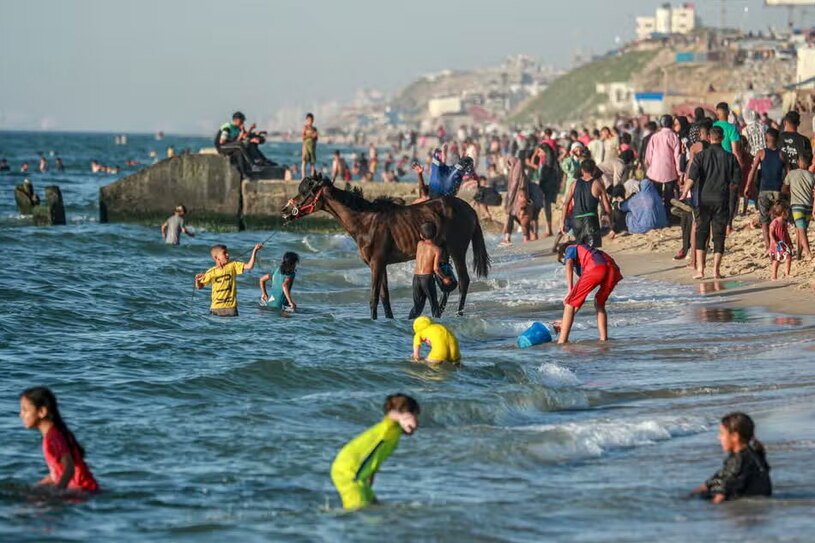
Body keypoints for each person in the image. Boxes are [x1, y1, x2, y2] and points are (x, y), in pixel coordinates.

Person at [330, 394, 420, 510]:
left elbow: (375, 457)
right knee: (357, 511)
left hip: (360, 475)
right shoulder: (389, 427)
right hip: (350, 473)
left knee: (375, 506)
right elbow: (391, 415)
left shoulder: (396, 434)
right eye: (413, 416)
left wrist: (370, 477)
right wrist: (404, 417)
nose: (416, 422)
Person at [683, 126, 741, 280]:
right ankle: (716, 270)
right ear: (722, 138)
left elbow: (691, 177)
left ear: (709, 138)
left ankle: (700, 270)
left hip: (703, 200)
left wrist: (684, 192)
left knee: (701, 233)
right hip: (721, 200)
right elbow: (736, 182)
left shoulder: (701, 156)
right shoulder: (730, 158)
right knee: (719, 235)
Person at [19, 386, 99, 492]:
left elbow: (69, 468)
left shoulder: (53, 438)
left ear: (42, 411)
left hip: (83, 492)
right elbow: (57, 472)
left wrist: (58, 491)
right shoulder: (55, 433)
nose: (21, 415)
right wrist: (38, 486)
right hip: (85, 491)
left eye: (25, 410)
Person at [690, 412, 771, 503]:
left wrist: (712, 505)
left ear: (734, 436)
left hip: (743, 504)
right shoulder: (752, 454)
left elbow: (725, 489)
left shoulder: (739, 460)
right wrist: (698, 490)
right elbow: (720, 477)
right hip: (757, 498)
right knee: (701, 493)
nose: (719, 438)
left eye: (722, 434)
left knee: (702, 497)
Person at [556, 242, 622, 344]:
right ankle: (603, 340)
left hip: (596, 268)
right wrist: (564, 321)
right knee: (599, 303)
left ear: (564, 254)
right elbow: (579, 300)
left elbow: (568, 263)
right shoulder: (591, 253)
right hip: (613, 270)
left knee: (569, 302)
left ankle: (562, 342)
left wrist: (570, 290)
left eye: (563, 260)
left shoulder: (570, 247)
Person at [194, 243, 263, 317]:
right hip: (215, 308)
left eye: (227, 252)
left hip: (231, 308)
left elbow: (249, 266)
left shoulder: (233, 265)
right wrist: (197, 280)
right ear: (216, 257)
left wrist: (255, 251)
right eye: (224, 253)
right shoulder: (211, 272)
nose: (227, 255)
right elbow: (199, 287)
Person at [745, 128, 785, 250]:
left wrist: (748, 186)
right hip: (777, 190)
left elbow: (753, 171)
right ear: (777, 139)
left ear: (766, 139)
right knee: (777, 219)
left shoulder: (761, 153)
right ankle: (778, 244)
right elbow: (788, 173)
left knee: (764, 220)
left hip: (764, 190)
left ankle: (769, 246)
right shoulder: (782, 154)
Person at [560, 159, 612, 248]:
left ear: (582, 170)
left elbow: (565, 204)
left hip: (576, 221)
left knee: (580, 249)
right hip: (591, 221)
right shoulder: (598, 184)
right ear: (594, 170)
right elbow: (607, 207)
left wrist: (562, 222)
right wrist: (610, 223)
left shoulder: (573, 184)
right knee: (592, 250)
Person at [713, 102, 746, 230]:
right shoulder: (732, 128)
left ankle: (718, 221)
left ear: (717, 113)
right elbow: (735, 151)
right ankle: (728, 224)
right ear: (727, 113)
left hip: (715, 163)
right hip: (729, 163)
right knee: (731, 195)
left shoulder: (713, 126)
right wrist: (740, 164)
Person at [409, 223, 452, 319]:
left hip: (416, 278)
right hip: (427, 279)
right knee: (434, 305)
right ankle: (437, 323)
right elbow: (436, 268)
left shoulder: (419, 244)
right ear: (436, 234)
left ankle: (408, 324)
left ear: (421, 235)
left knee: (417, 306)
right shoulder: (437, 250)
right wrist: (444, 278)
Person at [645, 115, 682, 215]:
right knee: (669, 196)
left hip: (655, 171)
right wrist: (679, 172)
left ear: (661, 124)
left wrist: (650, 168)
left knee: (656, 195)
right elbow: (677, 157)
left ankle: (657, 215)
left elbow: (648, 156)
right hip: (670, 171)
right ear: (671, 124)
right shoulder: (674, 137)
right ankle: (668, 216)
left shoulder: (654, 137)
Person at [784, 155, 815, 261]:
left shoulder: (792, 173)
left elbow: (784, 188)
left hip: (797, 205)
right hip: (808, 206)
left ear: (798, 162)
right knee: (801, 230)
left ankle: (808, 253)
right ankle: (798, 255)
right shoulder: (812, 175)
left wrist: (790, 193)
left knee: (801, 230)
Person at [768, 202, 793, 280]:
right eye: (787, 212)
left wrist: (790, 242)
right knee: (777, 260)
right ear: (783, 213)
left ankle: (787, 273)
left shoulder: (784, 223)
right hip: (776, 245)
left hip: (784, 244)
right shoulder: (775, 222)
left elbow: (786, 233)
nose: (788, 213)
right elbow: (770, 233)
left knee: (789, 257)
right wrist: (774, 241)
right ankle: (774, 275)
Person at [301, 113, 318, 177]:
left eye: (311, 120)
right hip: (306, 147)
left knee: (312, 163)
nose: (310, 122)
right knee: (304, 161)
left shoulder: (314, 129)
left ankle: (312, 176)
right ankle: (303, 176)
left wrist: (314, 136)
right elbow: (303, 137)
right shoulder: (305, 128)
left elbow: (316, 138)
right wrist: (310, 135)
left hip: (312, 147)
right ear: (307, 120)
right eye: (309, 120)